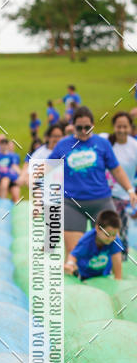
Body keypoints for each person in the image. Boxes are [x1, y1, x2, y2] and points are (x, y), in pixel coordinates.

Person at [48, 106, 137, 256]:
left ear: (93, 126)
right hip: (72, 204)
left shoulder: (102, 144)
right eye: (79, 127)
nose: (83, 131)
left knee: (110, 248)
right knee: (74, 253)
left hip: (101, 201)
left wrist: (130, 190)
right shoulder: (63, 145)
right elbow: (47, 168)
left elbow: (116, 169)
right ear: (73, 126)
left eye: (87, 127)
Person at [100, 112, 137, 260]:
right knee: (103, 229)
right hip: (104, 194)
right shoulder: (105, 141)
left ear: (130, 128)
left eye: (125, 126)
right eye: (118, 126)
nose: (121, 130)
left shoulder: (134, 146)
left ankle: (120, 260)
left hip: (124, 196)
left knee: (121, 230)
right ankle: (102, 258)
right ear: (114, 127)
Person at [64, 209, 123, 280]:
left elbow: (117, 263)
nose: (111, 238)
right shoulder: (86, 241)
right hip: (84, 275)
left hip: (103, 275)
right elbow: (73, 255)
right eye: (107, 234)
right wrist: (70, 264)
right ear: (98, 229)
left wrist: (118, 279)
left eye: (114, 234)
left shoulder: (115, 240)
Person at [0, 138, 20, 202]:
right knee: (3, 187)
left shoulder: (11, 156)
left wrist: (21, 175)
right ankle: (3, 203)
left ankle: (14, 207)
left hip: (11, 177)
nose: (4, 146)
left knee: (15, 195)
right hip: (0, 177)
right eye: (2, 145)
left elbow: (14, 166)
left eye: (5, 145)